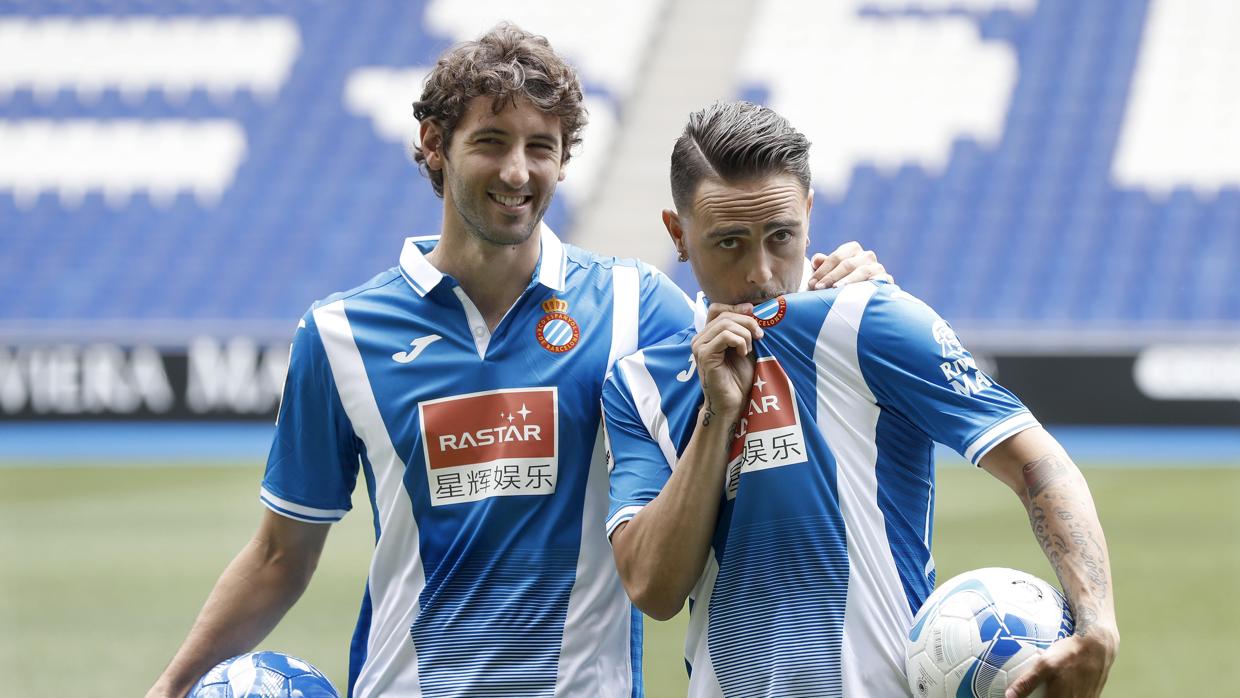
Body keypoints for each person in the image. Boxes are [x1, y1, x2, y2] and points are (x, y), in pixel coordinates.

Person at [147, 25, 888, 698]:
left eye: (542, 146)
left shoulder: (639, 306)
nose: (517, 170)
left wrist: (847, 280)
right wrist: (174, 685)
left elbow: (769, 333)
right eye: (492, 140)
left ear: (565, 162)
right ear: (435, 144)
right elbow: (281, 555)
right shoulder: (339, 335)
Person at [602, 101, 1119, 698]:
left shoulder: (870, 319)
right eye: (729, 243)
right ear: (679, 234)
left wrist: (1098, 623)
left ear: (809, 214)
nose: (761, 272)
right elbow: (652, 588)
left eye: (781, 236)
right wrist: (717, 416)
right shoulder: (642, 382)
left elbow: (1037, 464)